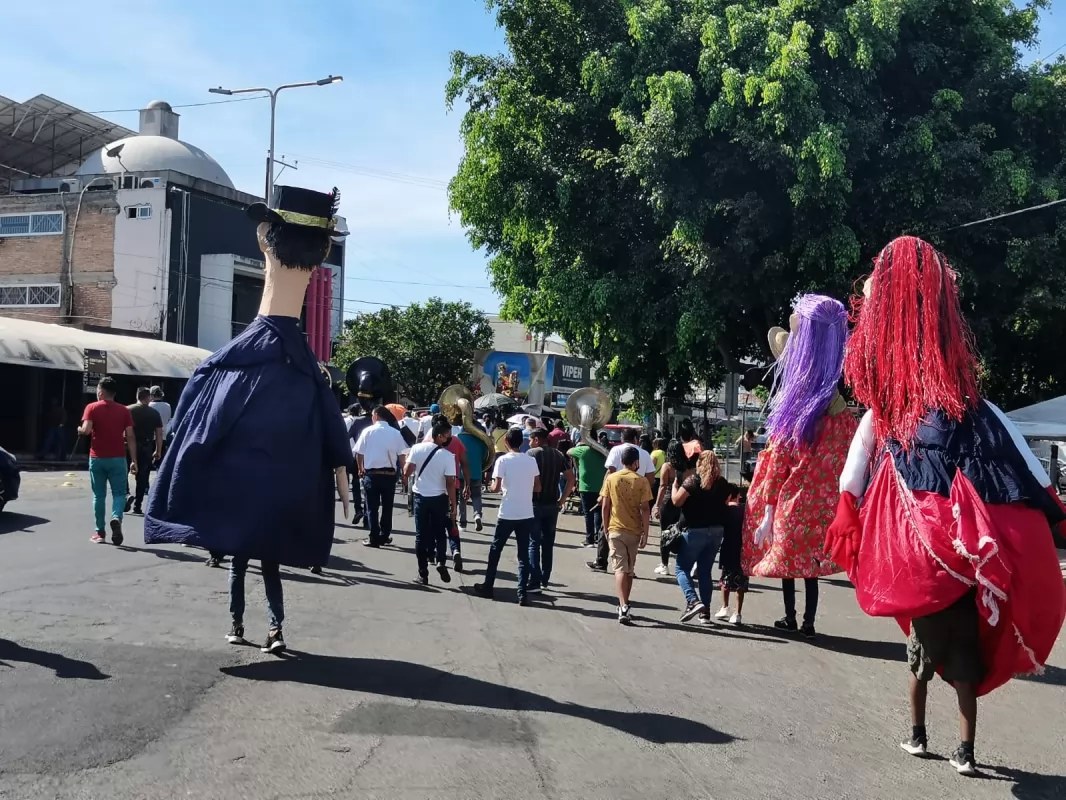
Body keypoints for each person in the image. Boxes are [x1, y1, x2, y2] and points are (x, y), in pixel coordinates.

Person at [825, 235, 1066, 776]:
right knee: (958, 678)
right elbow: (1021, 458)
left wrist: (848, 501)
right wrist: (1051, 504)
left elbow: (860, 455)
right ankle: (961, 747)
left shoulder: (903, 409)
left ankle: (921, 736)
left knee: (923, 670)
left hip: (924, 535)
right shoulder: (956, 409)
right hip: (943, 536)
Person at [145, 185, 353, 655]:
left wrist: (175, 455)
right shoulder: (311, 374)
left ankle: (241, 625)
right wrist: (341, 470)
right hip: (289, 356)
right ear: (323, 251)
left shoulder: (229, 366)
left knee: (243, 561)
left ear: (266, 238)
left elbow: (198, 421)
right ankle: (271, 628)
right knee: (268, 563)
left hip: (264, 338)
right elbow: (328, 418)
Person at [741, 294, 856, 639]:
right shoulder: (842, 415)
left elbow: (777, 466)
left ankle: (792, 617)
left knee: (789, 567)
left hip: (791, 507)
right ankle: (807, 620)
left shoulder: (792, 417)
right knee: (811, 569)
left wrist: (766, 514)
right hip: (823, 511)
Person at [472, 428, 541, 604]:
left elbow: (496, 487)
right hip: (526, 512)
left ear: (506, 443)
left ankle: (488, 586)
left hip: (508, 512)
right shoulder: (531, 461)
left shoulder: (502, 460)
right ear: (522, 442)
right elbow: (537, 487)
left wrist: (489, 487)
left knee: (495, 551)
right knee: (523, 554)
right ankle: (522, 593)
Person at [671, 451, 735, 622]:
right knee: (705, 571)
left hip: (694, 531)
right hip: (716, 532)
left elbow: (676, 501)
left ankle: (693, 600)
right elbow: (726, 503)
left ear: (700, 463)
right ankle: (705, 612)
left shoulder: (693, 481)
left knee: (681, 568)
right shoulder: (722, 484)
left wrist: (674, 487)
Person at [79, 377, 136, 545]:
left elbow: (86, 430)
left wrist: (79, 429)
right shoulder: (124, 410)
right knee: (119, 493)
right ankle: (116, 517)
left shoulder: (91, 407)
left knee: (99, 495)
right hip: (118, 458)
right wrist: (134, 460)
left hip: (97, 458)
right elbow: (130, 436)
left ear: (101, 392)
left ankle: (100, 533)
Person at [600, 445, 652, 623]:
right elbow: (645, 509)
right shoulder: (642, 481)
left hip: (615, 528)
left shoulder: (612, 478)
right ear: (636, 462)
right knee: (629, 569)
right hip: (634, 530)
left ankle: (623, 605)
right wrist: (646, 532)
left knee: (620, 568)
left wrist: (605, 527)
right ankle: (625, 603)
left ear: (621, 461)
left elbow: (605, 505)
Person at [404, 420, 458, 585]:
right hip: (439, 498)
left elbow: (406, 472)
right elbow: (450, 483)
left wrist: (408, 460)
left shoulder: (417, 449)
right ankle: (441, 561)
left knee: (421, 536)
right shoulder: (448, 456)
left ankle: (423, 574)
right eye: (447, 436)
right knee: (440, 533)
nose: (449, 438)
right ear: (439, 436)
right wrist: (453, 504)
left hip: (421, 497)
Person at [526, 427, 575, 592]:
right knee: (548, 543)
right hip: (552, 505)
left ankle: (534, 580)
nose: (529, 442)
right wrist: (562, 499)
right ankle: (545, 579)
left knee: (533, 543)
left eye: (531, 439)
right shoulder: (558, 455)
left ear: (537, 440)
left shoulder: (532, 454)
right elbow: (571, 478)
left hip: (534, 504)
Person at [355, 406, 410, 548]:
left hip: (371, 474)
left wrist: (360, 468)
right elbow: (402, 455)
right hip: (389, 475)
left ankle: (374, 536)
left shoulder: (367, 431)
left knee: (372, 507)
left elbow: (359, 453)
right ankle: (384, 535)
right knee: (387, 507)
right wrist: (404, 473)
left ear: (377, 416)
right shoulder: (395, 433)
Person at [424, 414, 471, 571]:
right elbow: (465, 463)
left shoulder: (427, 441)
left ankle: (432, 554)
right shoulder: (456, 441)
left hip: (433, 489)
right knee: (451, 520)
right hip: (454, 486)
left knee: (431, 524)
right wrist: (467, 485)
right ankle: (455, 549)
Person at [652, 440, 695, 577]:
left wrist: (657, 505)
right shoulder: (688, 467)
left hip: (668, 503)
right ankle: (682, 562)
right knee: (681, 533)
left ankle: (664, 564)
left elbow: (662, 487)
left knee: (665, 533)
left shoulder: (667, 466)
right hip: (682, 502)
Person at [126, 387, 163, 515]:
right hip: (146, 446)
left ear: (137, 396)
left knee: (122, 473)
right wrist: (158, 450)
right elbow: (159, 434)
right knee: (142, 477)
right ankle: (138, 505)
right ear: (149, 398)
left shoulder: (128, 410)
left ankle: (125, 495)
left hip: (127, 445)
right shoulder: (154, 413)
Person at [571, 431, 608, 550]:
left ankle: (589, 538)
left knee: (588, 514)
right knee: (598, 512)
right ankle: (598, 537)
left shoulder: (582, 450)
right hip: (600, 486)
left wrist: (581, 444)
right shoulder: (601, 450)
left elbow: (569, 451)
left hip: (585, 487)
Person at [457, 419, 492, 533]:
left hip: (461, 472)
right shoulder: (481, 441)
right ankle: (477, 515)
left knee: (462, 498)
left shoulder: (458, 438)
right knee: (476, 496)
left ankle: (462, 523)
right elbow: (484, 457)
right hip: (477, 472)